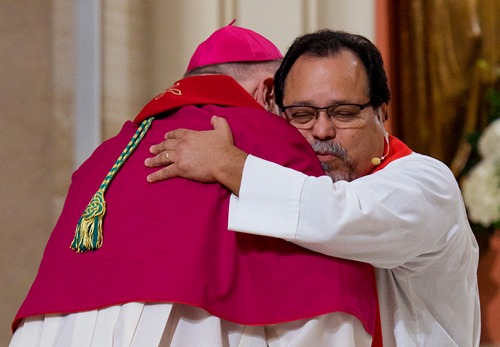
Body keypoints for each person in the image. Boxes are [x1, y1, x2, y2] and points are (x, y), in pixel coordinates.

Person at [10, 23, 382, 347]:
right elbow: (326, 287)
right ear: (269, 91)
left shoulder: (104, 155)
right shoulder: (268, 139)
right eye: (292, 109)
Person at [145, 29, 481, 346]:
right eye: (302, 115)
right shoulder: (285, 190)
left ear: (382, 111)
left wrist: (226, 163)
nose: (321, 131)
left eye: (344, 113)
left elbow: (343, 215)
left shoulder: (426, 183)